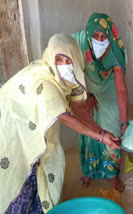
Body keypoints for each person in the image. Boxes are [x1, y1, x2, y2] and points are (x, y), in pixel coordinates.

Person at [0, 34, 120, 214]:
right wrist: (100, 137)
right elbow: (67, 118)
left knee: (43, 162)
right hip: (14, 120)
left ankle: (38, 206)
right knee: (22, 168)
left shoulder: (74, 76)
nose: (64, 65)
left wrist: (101, 133)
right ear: (50, 57)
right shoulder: (45, 82)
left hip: (35, 120)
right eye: (59, 59)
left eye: (68, 59)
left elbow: (79, 107)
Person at [72, 13, 128, 191]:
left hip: (108, 85)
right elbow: (72, 75)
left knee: (112, 125)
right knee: (88, 125)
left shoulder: (116, 49)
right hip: (85, 84)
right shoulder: (77, 44)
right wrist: (87, 96)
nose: (100, 41)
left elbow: (121, 89)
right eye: (95, 36)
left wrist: (125, 123)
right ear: (88, 34)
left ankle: (112, 173)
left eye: (104, 36)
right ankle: (90, 170)